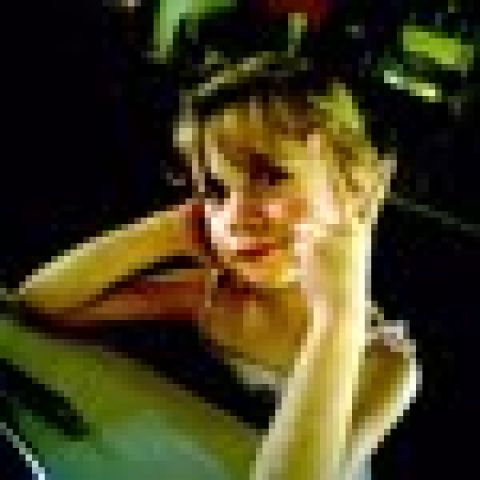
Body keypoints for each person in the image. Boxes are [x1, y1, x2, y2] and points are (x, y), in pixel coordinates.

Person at [3, 52, 419, 480]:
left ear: (356, 189)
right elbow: (37, 305)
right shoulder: (215, 296)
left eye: (271, 177)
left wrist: (337, 316)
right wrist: (171, 231)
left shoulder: (381, 362)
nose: (236, 217)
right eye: (217, 191)